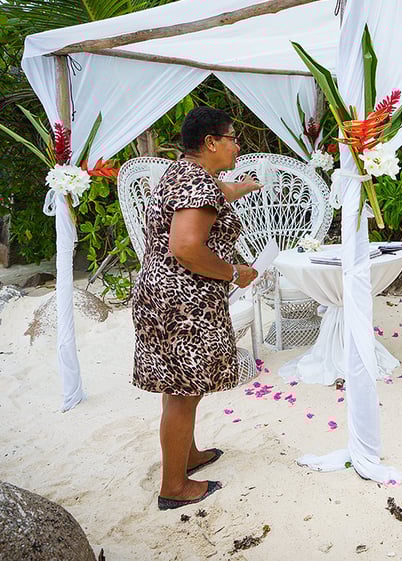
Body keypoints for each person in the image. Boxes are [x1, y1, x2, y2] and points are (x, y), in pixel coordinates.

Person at [132, 106, 262, 510]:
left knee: (179, 384)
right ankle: (175, 486)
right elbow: (186, 247)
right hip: (184, 301)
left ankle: (186, 456)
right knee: (184, 392)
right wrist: (233, 273)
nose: (237, 145)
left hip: (159, 294)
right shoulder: (198, 186)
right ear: (210, 143)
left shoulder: (182, 173)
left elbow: (213, 192)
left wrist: (241, 188)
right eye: (232, 138)